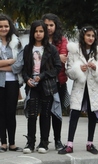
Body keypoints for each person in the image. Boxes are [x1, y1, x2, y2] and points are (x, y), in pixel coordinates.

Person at [59, 26, 98, 155]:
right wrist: (78, 69)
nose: (91, 38)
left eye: (93, 36)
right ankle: (69, 144)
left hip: (94, 88)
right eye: (88, 35)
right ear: (83, 36)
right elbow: (69, 71)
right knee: (74, 114)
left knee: (92, 115)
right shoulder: (74, 51)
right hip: (79, 87)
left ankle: (90, 143)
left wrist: (96, 67)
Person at [21, 20, 61, 154]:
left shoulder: (51, 49)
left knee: (45, 114)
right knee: (32, 114)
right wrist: (27, 79)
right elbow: (24, 68)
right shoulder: (27, 48)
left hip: (47, 85)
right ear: (32, 33)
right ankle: (30, 143)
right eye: (36, 31)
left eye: (41, 31)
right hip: (32, 86)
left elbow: (57, 68)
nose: (38, 34)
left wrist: (42, 75)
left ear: (44, 33)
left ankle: (44, 142)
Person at [42, 13, 67, 150]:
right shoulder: (39, 40)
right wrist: (56, 58)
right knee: (45, 112)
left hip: (59, 81)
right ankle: (44, 141)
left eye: (51, 25)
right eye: (46, 25)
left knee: (57, 112)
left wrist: (50, 60)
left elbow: (64, 58)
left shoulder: (62, 40)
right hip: (44, 81)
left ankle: (58, 140)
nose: (49, 28)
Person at [0, 13, 23, 152]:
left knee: (10, 112)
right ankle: (3, 142)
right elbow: (13, 63)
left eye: (6, 26)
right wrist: (9, 61)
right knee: (0, 113)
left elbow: (19, 65)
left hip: (13, 83)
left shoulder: (16, 42)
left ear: (10, 27)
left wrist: (2, 66)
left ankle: (12, 143)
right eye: (0, 26)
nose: (3, 28)